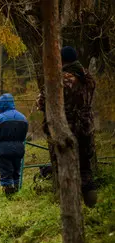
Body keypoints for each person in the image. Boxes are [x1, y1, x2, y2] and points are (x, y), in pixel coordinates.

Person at [37, 46, 97, 207]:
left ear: (61, 60)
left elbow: (42, 103)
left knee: (66, 169)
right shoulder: (88, 78)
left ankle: (72, 208)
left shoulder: (61, 79)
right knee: (85, 168)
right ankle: (91, 203)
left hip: (66, 129)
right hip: (86, 127)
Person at [0, 93, 28, 197]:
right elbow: (23, 135)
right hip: (18, 149)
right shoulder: (22, 117)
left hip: (3, 150)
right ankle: (18, 193)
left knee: (6, 172)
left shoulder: (0, 118)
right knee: (16, 171)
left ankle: (9, 196)